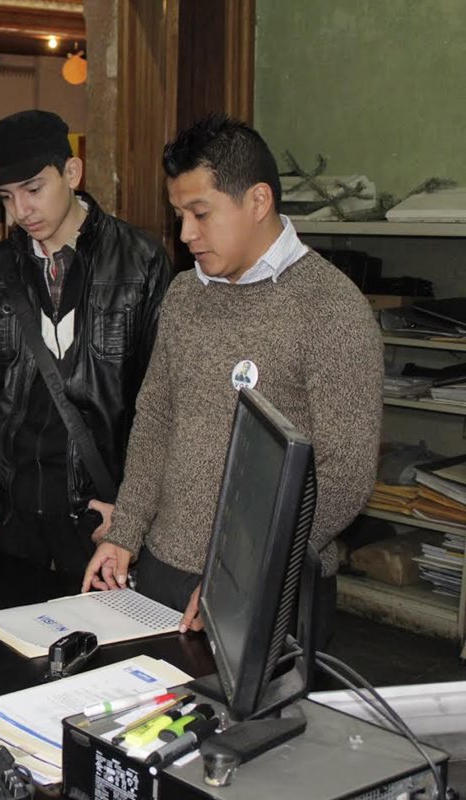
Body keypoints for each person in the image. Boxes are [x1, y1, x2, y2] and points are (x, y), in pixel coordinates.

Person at [80, 115, 383, 645]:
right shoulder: (184, 295)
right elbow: (155, 420)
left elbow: (345, 475)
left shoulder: (331, 309)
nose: (185, 233)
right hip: (163, 569)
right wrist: (125, 532)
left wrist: (242, 574)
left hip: (271, 586)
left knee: (252, 727)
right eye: (179, 215)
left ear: (258, 201)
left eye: (200, 214)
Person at [0, 110, 171, 584]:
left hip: (100, 510)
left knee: (104, 646)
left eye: (33, 189)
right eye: (7, 197)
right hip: (13, 509)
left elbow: (160, 402)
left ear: (72, 173)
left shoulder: (140, 260)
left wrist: (131, 514)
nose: (21, 211)